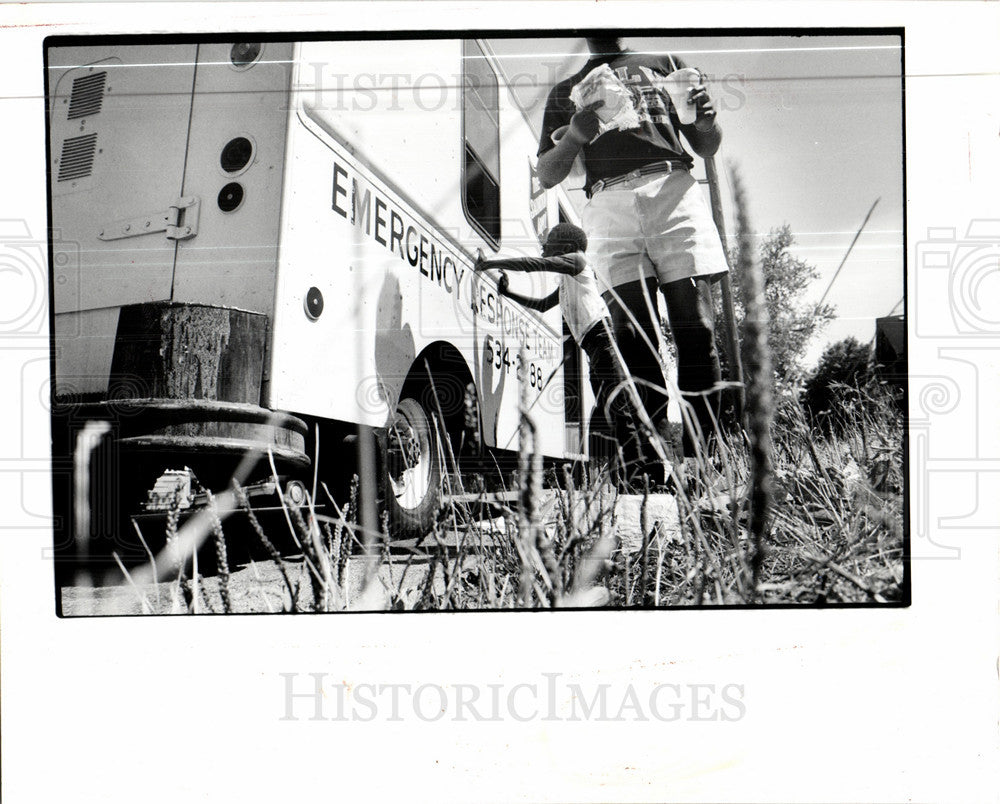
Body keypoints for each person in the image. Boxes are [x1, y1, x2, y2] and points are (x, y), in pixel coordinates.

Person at [536, 37, 730, 477]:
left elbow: (708, 145)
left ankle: (702, 463)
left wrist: (707, 118)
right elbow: (548, 173)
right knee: (634, 340)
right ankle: (651, 467)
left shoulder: (666, 62)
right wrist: (577, 137)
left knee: (696, 329)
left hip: (674, 189)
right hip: (607, 202)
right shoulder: (566, 89)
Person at [473, 222, 659, 485]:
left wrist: (487, 264)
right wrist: (508, 291)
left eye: (551, 243)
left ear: (568, 248)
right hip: (593, 349)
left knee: (620, 408)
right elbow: (541, 305)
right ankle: (632, 475)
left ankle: (641, 475)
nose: (545, 246)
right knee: (613, 412)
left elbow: (534, 264)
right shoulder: (566, 281)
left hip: (603, 340)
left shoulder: (577, 262)